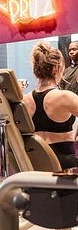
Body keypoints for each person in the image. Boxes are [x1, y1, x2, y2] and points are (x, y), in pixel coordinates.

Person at [22, 41, 78, 170]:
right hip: (64, 169)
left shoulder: (24, 101)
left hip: (36, 168)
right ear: (56, 68)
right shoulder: (65, 97)